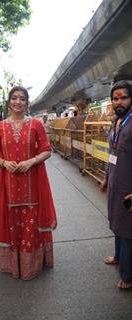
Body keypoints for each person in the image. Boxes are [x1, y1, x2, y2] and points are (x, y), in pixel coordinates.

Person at [0, 86, 57, 280]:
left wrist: (31, 162)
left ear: (27, 103)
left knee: (31, 223)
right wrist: (4, 162)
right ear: (9, 101)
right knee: (11, 223)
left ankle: (31, 267)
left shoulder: (36, 124)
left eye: (22, 98)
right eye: (14, 98)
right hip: (8, 186)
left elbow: (46, 150)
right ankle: (14, 266)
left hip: (32, 184)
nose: (17, 102)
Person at [100, 80, 132, 289]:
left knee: (128, 229)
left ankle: (128, 276)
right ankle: (119, 257)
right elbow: (112, 153)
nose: (118, 102)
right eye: (115, 98)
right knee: (116, 222)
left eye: (123, 97)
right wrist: (105, 176)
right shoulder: (115, 122)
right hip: (115, 183)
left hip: (129, 188)